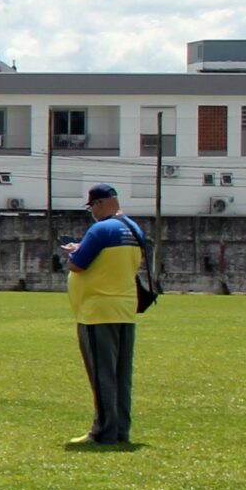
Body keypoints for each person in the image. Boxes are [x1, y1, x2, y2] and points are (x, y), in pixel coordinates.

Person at [64, 183, 144, 448]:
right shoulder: (133, 228)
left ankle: (103, 431)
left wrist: (74, 251)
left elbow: (78, 264)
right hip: (124, 308)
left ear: (98, 204)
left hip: (98, 311)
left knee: (102, 374)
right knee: (121, 374)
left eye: (92, 207)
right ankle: (121, 429)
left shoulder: (100, 229)